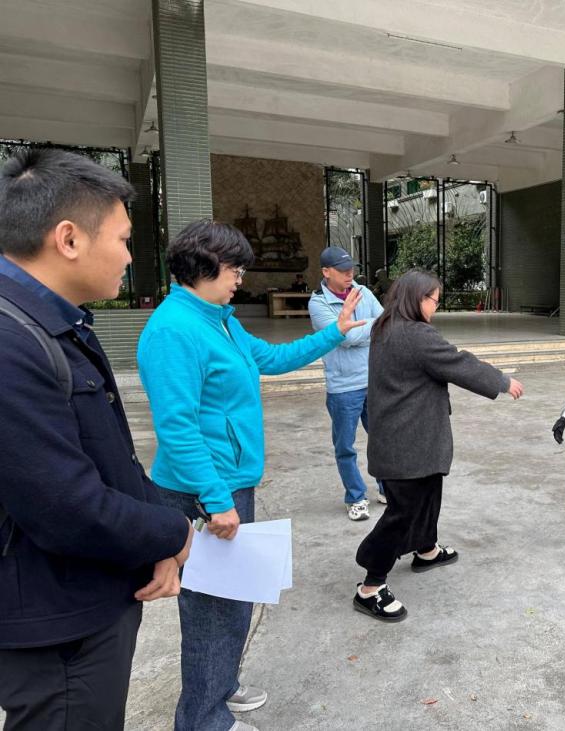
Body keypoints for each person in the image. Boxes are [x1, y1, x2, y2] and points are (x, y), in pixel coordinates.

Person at [137, 221, 364, 731]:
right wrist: (216, 499)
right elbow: (177, 427)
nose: (240, 279)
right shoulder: (174, 330)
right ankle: (203, 719)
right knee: (211, 611)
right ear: (205, 267)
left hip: (229, 482)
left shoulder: (219, 320)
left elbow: (272, 358)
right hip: (202, 490)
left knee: (233, 599)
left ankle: (221, 687)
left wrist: (335, 332)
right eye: (235, 270)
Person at [0, 149, 194, 730]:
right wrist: (175, 531)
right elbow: (65, 507)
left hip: (91, 596)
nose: (130, 257)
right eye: (124, 239)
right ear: (68, 239)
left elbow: (115, 457)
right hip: (57, 622)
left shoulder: (57, 323)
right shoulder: (11, 344)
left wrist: (155, 534)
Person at [353, 269, 524, 622]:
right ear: (417, 299)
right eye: (434, 300)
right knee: (404, 510)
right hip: (407, 443)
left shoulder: (386, 327)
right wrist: (501, 381)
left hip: (411, 437)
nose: (436, 306)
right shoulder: (415, 334)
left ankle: (426, 549)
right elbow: (457, 362)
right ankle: (371, 584)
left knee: (429, 494)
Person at [308, 247, 385, 521]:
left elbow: (385, 322)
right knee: (345, 447)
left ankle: (386, 488)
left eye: (351, 268)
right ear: (326, 272)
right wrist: (367, 328)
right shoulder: (318, 303)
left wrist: (357, 329)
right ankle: (355, 496)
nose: (349, 274)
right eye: (342, 270)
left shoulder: (363, 292)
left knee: (383, 439)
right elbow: (345, 337)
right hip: (343, 388)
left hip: (373, 381)